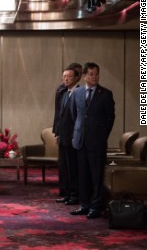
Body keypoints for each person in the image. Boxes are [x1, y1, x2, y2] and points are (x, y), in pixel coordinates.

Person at [70, 62, 115, 219]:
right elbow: (74, 115)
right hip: (80, 141)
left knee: (96, 175)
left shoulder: (106, 94)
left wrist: (102, 136)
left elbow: (110, 119)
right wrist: (76, 134)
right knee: (82, 175)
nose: (94, 77)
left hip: (97, 142)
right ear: (83, 76)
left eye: (96, 74)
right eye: (91, 74)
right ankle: (85, 204)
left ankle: (96, 206)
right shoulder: (77, 93)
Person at [53, 62, 82, 200]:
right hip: (63, 136)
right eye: (64, 76)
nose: (66, 79)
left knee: (73, 167)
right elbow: (59, 116)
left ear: (77, 78)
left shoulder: (80, 93)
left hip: (73, 137)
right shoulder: (65, 94)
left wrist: (74, 136)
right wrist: (57, 133)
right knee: (64, 167)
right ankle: (66, 194)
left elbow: (79, 118)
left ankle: (74, 194)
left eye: (69, 76)